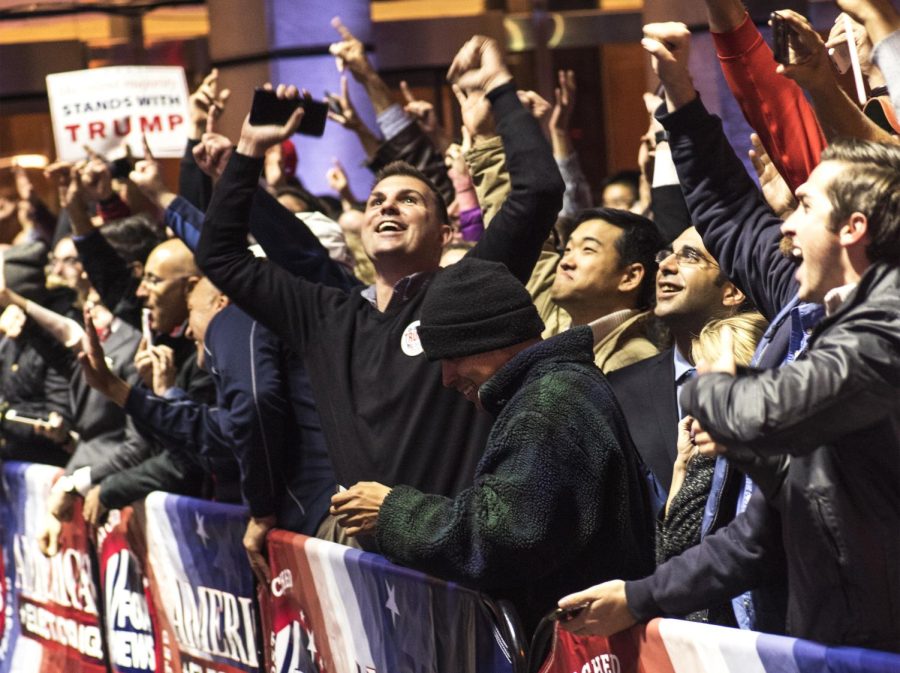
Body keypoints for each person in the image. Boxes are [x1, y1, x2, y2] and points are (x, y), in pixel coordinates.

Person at [559, 137, 900, 653]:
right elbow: (766, 531)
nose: (785, 225)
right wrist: (638, 597)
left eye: (805, 205)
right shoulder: (824, 328)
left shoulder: (882, 334)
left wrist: (715, 389)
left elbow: (758, 414)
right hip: (825, 639)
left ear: (853, 229)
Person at [196, 37, 564, 509]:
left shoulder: (470, 293)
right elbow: (221, 257)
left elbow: (537, 193)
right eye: (376, 200)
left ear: (445, 233)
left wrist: (499, 87)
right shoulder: (324, 314)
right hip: (364, 567)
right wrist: (247, 150)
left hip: (457, 553)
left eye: (410, 199)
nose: (387, 203)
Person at [331, 257, 654, 635]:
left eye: (452, 357)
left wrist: (391, 512)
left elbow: (505, 538)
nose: (447, 378)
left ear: (492, 336)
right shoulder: (553, 390)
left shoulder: (547, 406)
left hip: (580, 648)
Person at [606, 226, 746, 491]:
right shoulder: (621, 388)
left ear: (732, 290)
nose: (666, 266)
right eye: (667, 254)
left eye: (690, 256)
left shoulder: (766, 376)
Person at [547, 208, 663, 373]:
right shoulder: (559, 327)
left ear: (630, 277)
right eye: (568, 249)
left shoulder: (634, 363)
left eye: (588, 249)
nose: (566, 262)